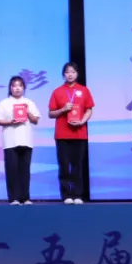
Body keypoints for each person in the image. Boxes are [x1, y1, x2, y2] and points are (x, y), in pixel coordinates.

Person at [48, 62, 95, 204]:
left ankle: (78, 195)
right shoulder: (57, 91)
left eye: (73, 72)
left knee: (77, 165)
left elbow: (89, 109)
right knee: (63, 165)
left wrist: (82, 121)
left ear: (77, 74)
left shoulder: (84, 90)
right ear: (63, 74)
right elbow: (51, 113)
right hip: (62, 134)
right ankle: (66, 195)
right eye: (67, 72)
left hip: (79, 133)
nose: (70, 74)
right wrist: (63, 109)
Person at [0, 75, 41, 205]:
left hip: (26, 140)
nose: (17, 88)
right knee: (12, 170)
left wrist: (27, 111)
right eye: (14, 86)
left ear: (24, 88)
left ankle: (25, 197)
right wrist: (11, 121)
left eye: (20, 85)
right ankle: (13, 198)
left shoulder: (29, 102)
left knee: (25, 170)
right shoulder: (4, 103)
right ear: (10, 88)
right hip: (10, 141)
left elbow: (35, 120)